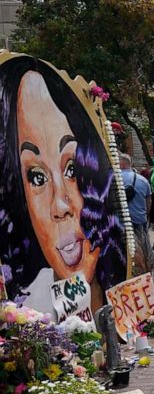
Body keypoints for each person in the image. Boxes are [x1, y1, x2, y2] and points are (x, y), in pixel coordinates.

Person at [0, 56, 127, 312]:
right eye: (37, 177)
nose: (60, 205)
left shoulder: (122, 290)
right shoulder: (25, 313)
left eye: (72, 168)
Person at [120, 153, 152, 261]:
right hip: (139, 218)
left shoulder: (113, 179)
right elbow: (148, 201)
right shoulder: (143, 180)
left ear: (121, 165)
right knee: (141, 248)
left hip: (120, 221)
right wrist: (145, 215)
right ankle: (142, 267)